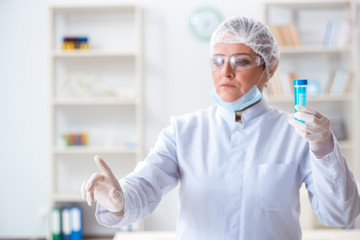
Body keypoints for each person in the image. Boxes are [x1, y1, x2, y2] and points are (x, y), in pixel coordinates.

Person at [81, 16, 360, 240]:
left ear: (270, 69)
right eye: (217, 60)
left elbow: (341, 215)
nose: (225, 72)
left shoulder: (296, 134)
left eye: (240, 61)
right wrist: (119, 200)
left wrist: (324, 148)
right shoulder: (184, 131)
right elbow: (145, 185)